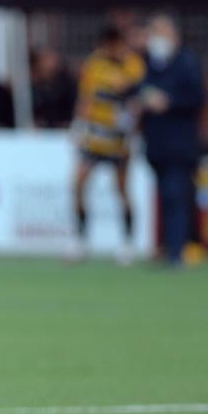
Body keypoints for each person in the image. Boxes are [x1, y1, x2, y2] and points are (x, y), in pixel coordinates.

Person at [70, 26, 145, 263]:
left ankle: (128, 242)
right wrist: (79, 124)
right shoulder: (93, 65)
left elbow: (134, 96)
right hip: (95, 135)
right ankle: (80, 239)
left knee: (121, 189)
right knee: (79, 183)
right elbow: (86, 97)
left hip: (119, 139)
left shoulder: (133, 65)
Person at [136, 14, 205, 266]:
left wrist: (169, 102)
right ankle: (170, 247)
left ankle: (178, 251)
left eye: (160, 31)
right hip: (157, 145)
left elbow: (197, 98)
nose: (155, 37)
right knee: (166, 197)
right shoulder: (151, 64)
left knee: (176, 195)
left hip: (180, 145)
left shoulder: (187, 62)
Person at [30, 46, 78, 129]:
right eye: (45, 59)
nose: (48, 63)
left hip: (62, 128)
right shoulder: (34, 84)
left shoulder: (67, 84)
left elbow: (72, 106)